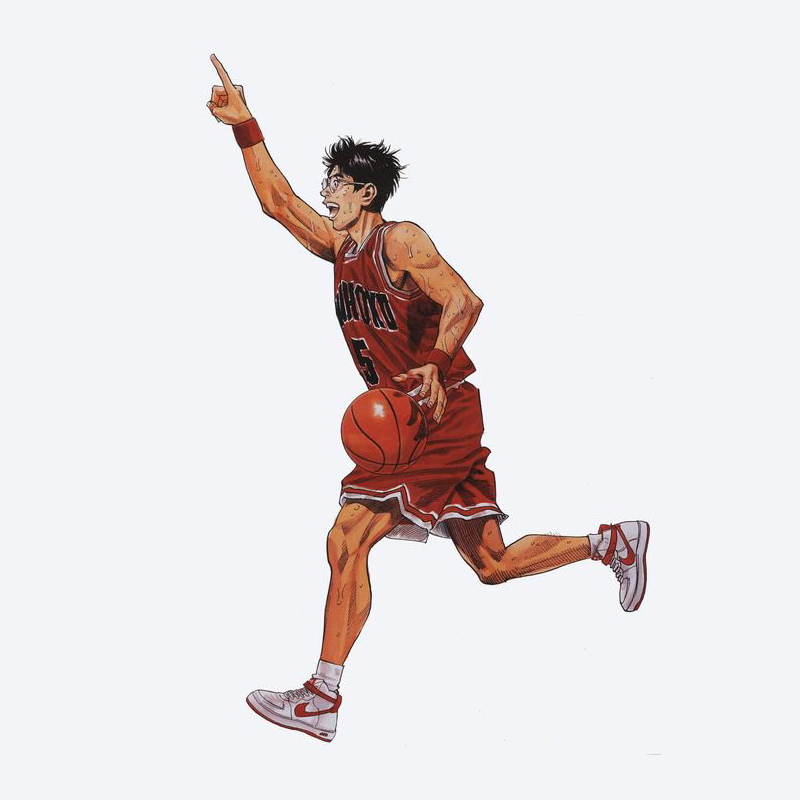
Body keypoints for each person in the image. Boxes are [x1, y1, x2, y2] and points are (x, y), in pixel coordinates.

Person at [207, 54, 650, 743]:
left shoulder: (400, 241)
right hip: (412, 414)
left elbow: (465, 300)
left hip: (434, 411)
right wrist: (246, 127)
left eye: (336, 183)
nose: (324, 191)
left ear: (365, 193)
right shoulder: (339, 247)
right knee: (491, 564)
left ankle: (322, 696)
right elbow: (277, 203)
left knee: (348, 536)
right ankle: (611, 543)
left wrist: (437, 364)